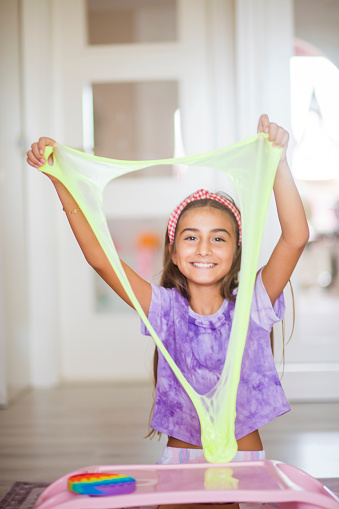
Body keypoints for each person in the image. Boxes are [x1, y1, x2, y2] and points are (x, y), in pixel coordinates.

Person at [27, 114, 309, 509]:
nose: (204, 249)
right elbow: (101, 259)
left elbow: (295, 237)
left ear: (236, 252)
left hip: (242, 457)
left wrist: (278, 162)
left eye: (219, 239)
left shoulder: (254, 303)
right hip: (182, 458)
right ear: (174, 254)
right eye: (191, 238)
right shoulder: (162, 308)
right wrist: (61, 180)